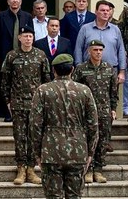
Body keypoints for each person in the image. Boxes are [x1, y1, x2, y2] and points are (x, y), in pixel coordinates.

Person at [30, 54, 98, 199]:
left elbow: (35, 125)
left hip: (51, 150)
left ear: (53, 70)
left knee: (53, 196)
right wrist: (90, 152)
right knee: (74, 195)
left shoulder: (43, 90)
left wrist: (37, 153)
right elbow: (93, 125)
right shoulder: (84, 90)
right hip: (77, 150)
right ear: (72, 69)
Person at [1, 25, 50, 185]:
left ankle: (31, 168)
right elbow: (5, 81)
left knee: (34, 137)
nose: (28, 39)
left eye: (30, 36)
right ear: (19, 38)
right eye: (25, 36)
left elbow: (46, 81)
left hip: (36, 105)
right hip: (17, 104)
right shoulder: (12, 56)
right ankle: (21, 168)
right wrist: (8, 101)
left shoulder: (41, 56)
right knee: (19, 137)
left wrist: (45, 102)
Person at [73, 0, 128, 119]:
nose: (105, 13)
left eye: (108, 11)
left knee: (109, 105)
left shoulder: (115, 29)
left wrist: (122, 71)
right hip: (88, 71)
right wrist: (78, 67)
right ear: (96, 12)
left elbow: (121, 50)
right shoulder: (85, 29)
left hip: (110, 71)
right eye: (102, 10)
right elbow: (78, 49)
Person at [72, 40, 117, 183]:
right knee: (87, 141)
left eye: (100, 50)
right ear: (89, 51)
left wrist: (113, 109)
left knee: (102, 141)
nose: (98, 52)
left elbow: (113, 91)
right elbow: (75, 91)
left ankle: (98, 170)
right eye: (95, 50)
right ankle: (88, 170)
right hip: (86, 112)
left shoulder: (108, 68)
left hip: (104, 111)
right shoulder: (81, 68)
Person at [0, 0, 34, 122]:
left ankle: (22, 111)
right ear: (8, 1)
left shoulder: (27, 16)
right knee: (6, 84)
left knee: (21, 84)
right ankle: (7, 112)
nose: (15, 1)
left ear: (21, 1)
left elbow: (30, 35)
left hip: (24, 56)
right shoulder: (1, 17)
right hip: (6, 55)